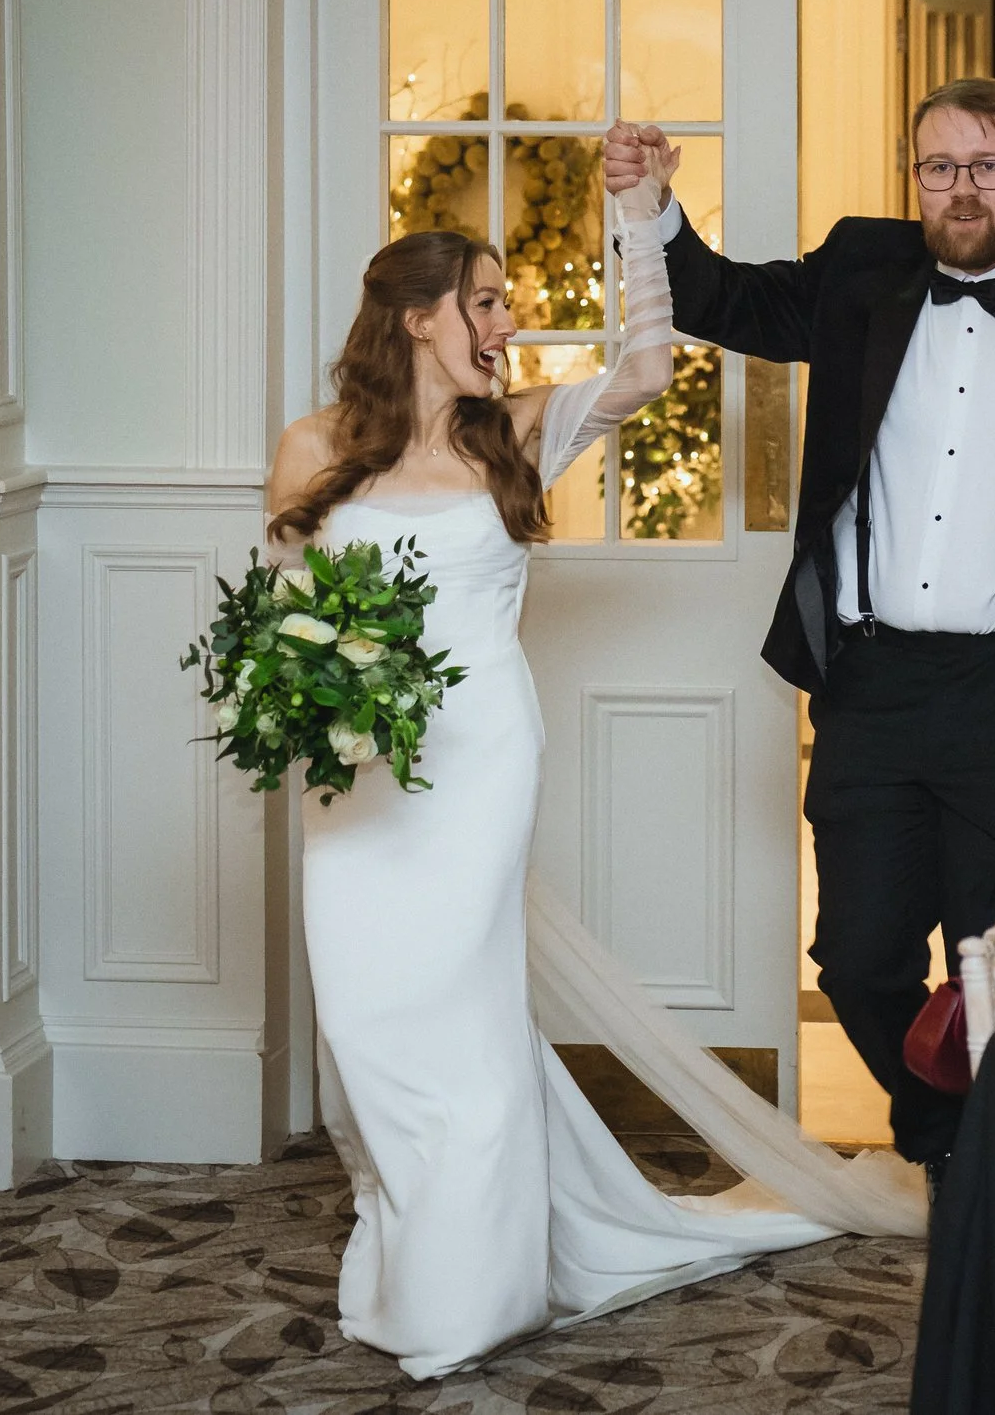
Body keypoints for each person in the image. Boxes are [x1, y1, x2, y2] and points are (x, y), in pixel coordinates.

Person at [263, 151, 843, 1379]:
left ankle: (467, 1292)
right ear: (416, 318)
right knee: (372, 1018)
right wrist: (308, 706)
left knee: (460, 1014)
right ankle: (423, 1242)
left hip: (478, 763)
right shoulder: (310, 444)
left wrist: (635, 215)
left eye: (507, 300)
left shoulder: (516, 430)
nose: (508, 320)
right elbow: (279, 625)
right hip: (353, 781)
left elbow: (645, 369)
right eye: (485, 300)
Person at [601, 80, 995, 1186]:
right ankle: (941, 1127)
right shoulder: (861, 275)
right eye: (937, 165)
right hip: (873, 682)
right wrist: (650, 205)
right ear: (912, 175)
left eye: (986, 164)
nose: (960, 188)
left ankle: (984, 1172)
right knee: (859, 955)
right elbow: (721, 301)